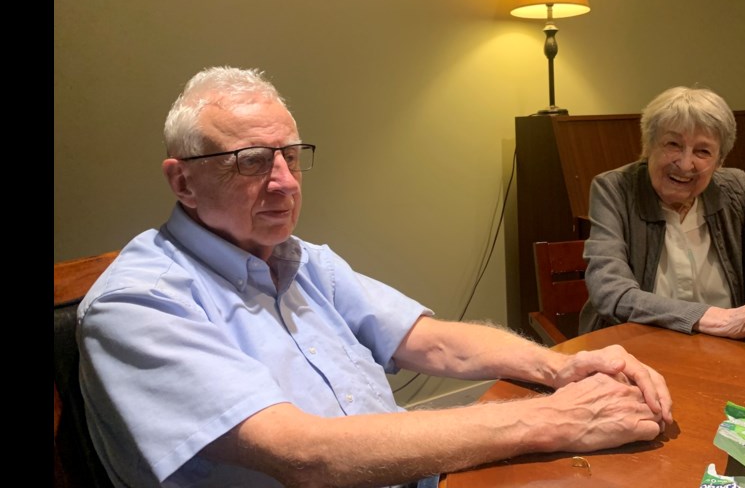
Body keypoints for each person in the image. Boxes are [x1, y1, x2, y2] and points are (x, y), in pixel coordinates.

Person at [77, 66, 673, 488]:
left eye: (290, 155)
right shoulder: (138, 304)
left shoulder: (302, 258)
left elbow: (432, 340)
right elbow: (303, 456)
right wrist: (549, 419)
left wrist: (558, 367)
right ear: (183, 182)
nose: (285, 182)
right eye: (252, 162)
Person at [579, 86, 745, 340]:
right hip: (635, 350)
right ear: (648, 147)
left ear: (719, 161)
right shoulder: (614, 189)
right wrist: (720, 319)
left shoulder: (738, 189)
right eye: (672, 144)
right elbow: (611, 291)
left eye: (702, 151)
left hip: (728, 355)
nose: (685, 164)